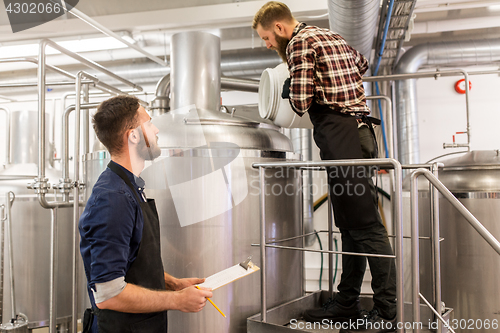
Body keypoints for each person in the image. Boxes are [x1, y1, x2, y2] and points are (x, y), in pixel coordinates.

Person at [252, 2, 397, 333]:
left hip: (341, 135)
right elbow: (361, 64)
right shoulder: (331, 35)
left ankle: (386, 311)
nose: (268, 45)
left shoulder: (300, 42)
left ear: (278, 28)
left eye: (266, 38)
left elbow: (301, 102)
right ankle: (347, 302)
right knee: (349, 225)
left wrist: (288, 87)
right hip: (360, 134)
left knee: (366, 225)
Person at [79, 95, 212, 333]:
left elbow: (132, 262)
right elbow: (109, 294)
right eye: (149, 123)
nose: (156, 129)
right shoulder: (112, 198)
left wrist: (172, 283)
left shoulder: (130, 188)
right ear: (133, 135)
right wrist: (178, 301)